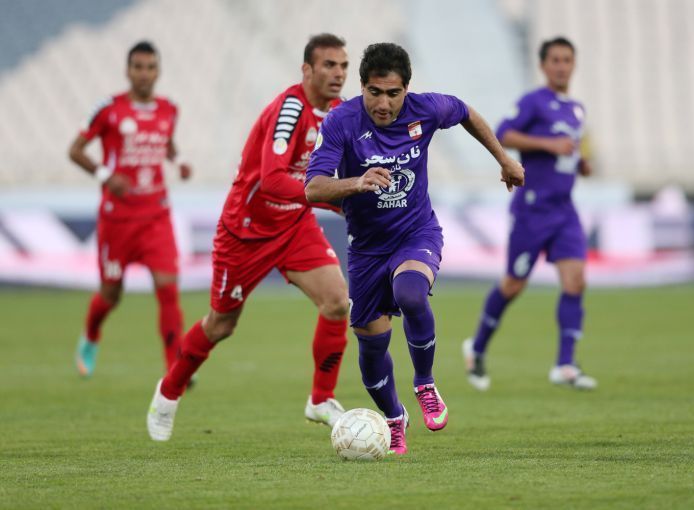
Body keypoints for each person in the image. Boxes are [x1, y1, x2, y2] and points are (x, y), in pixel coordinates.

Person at [304, 42, 524, 455]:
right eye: (374, 92)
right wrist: (356, 182)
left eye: (393, 93)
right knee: (371, 351)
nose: (383, 103)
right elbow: (313, 187)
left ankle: (425, 383)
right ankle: (394, 418)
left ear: (407, 89)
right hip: (367, 249)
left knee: (410, 293)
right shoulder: (340, 121)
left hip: (416, 232)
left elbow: (466, 112)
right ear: (362, 87)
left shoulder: (427, 109)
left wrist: (504, 160)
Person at [146, 33, 351, 441]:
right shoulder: (290, 110)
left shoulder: (339, 111)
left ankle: (321, 398)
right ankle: (168, 393)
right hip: (247, 231)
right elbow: (273, 180)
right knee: (221, 324)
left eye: (343, 66)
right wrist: (335, 200)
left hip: (294, 225)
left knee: (336, 302)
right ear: (307, 69)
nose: (338, 73)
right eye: (329, 65)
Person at [463, 36, 597, 392]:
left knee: (576, 281)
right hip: (532, 209)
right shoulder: (532, 102)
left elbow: (570, 152)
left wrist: (580, 163)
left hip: (564, 209)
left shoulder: (577, 110)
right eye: (555, 60)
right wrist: (548, 144)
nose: (561, 66)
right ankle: (476, 348)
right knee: (513, 284)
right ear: (543, 65)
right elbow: (503, 133)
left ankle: (565, 365)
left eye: (567, 59)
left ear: (573, 64)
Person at [69, 41, 192, 378]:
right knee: (111, 293)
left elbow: (165, 142)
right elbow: (75, 150)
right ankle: (91, 334)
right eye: (138, 67)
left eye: (150, 67)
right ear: (127, 71)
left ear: (158, 71)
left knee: (168, 288)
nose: (144, 74)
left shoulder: (169, 109)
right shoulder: (108, 109)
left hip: (156, 214)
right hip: (118, 218)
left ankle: (175, 368)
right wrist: (106, 176)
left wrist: (179, 160)